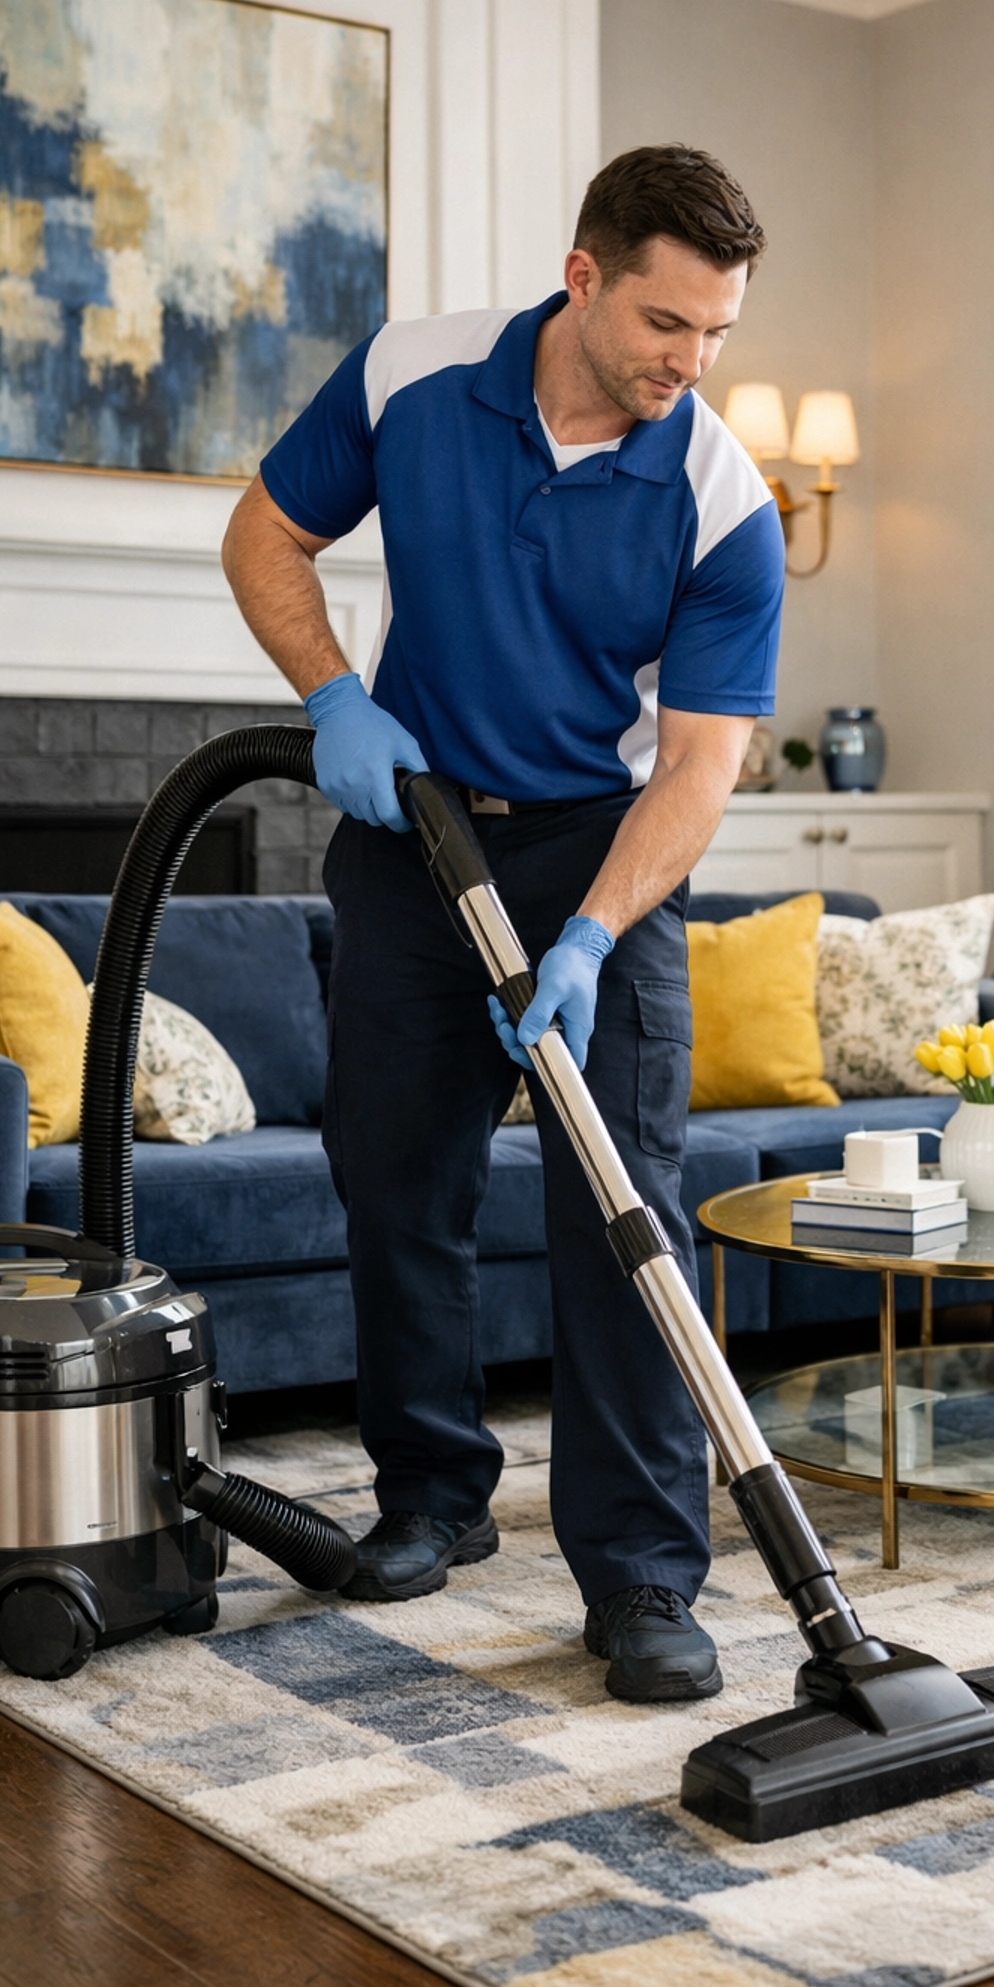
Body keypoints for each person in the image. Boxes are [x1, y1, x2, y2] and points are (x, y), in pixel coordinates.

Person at [221, 145, 784, 1703]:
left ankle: (648, 1573)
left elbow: (702, 762)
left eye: (720, 332)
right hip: (416, 839)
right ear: (584, 277)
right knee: (397, 1179)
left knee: (625, 1212)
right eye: (670, 323)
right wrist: (332, 693)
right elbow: (264, 534)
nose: (694, 362)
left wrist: (597, 935)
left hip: (606, 858)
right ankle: (431, 1497)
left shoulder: (717, 496)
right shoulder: (417, 372)